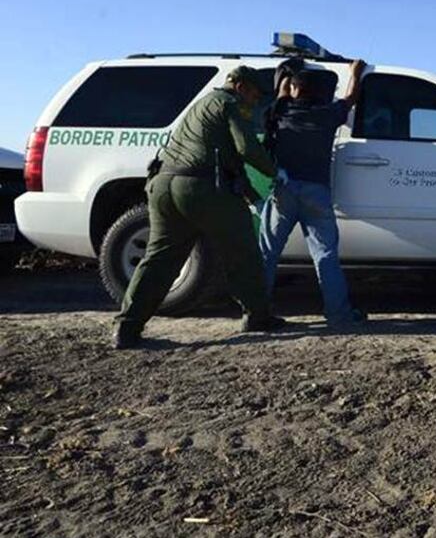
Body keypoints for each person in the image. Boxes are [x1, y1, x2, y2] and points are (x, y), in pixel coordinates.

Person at [113, 66, 290, 349]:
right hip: (200, 188)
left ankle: (127, 327)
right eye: (255, 94)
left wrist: (250, 193)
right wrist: (274, 171)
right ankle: (258, 316)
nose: (256, 101)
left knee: (159, 259)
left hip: (163, 185)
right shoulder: (231, 104)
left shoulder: (202, 104)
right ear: (240, 86)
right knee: (243, 251)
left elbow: (226, 158)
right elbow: (245, 148)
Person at [259, 59, 367, 327]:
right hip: (316, 192)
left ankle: (256, 312)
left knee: (267, 253)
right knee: (325, 255)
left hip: (284, 190)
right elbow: (351, 98)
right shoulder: (327, 114)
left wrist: (288, 74)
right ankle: (339, 315)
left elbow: (282, 93)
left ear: (295, 89)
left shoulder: (281, 112)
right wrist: (355, 72)